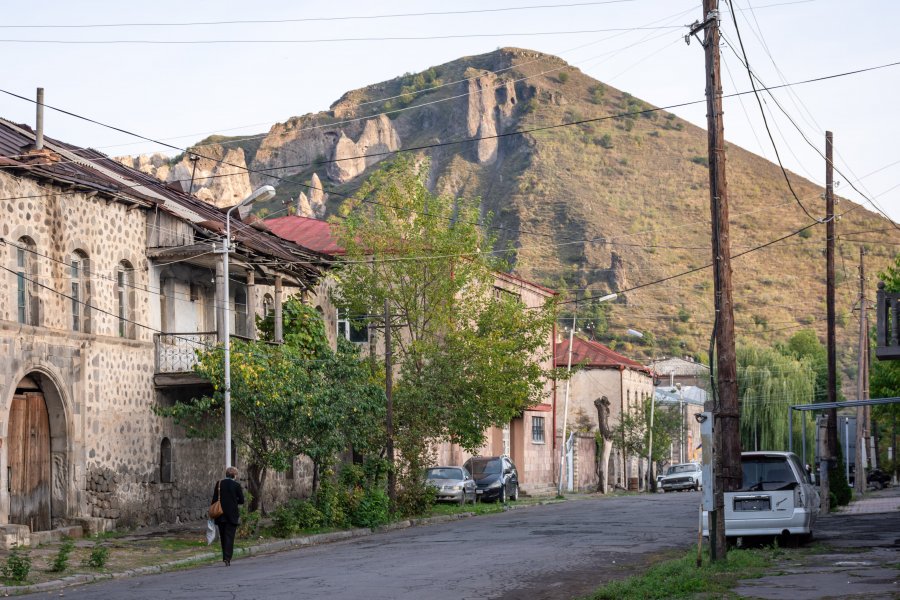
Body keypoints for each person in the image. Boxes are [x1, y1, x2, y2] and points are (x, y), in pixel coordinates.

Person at [211, 466, 244, 566]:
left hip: (220, 514)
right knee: (230, 536)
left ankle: (225, 556)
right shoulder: (236, 485)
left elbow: (214, 499)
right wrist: (234, 501)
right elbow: (242, 500)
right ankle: (227, 558)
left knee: (223, 536)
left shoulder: (219, 483)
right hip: (232, 514)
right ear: (234, 475)